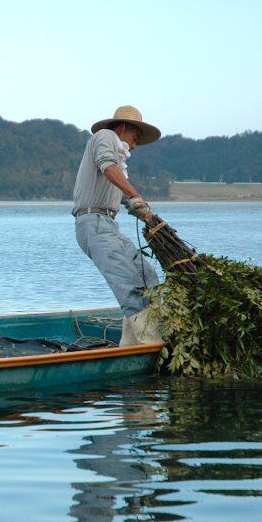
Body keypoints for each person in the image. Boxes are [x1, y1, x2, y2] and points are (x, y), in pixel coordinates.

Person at [73, 105, 162, 345]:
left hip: (108, 225)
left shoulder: (118, 160)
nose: (134, 145)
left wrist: (142, 210)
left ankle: (130, 343)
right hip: (93, 223)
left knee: (148, 275)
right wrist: (135, 195)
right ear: (123, 128)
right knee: (127, 284)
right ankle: (148, 344)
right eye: (135, 138)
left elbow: (118, 184)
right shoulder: (105, 137)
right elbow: (107, 166)